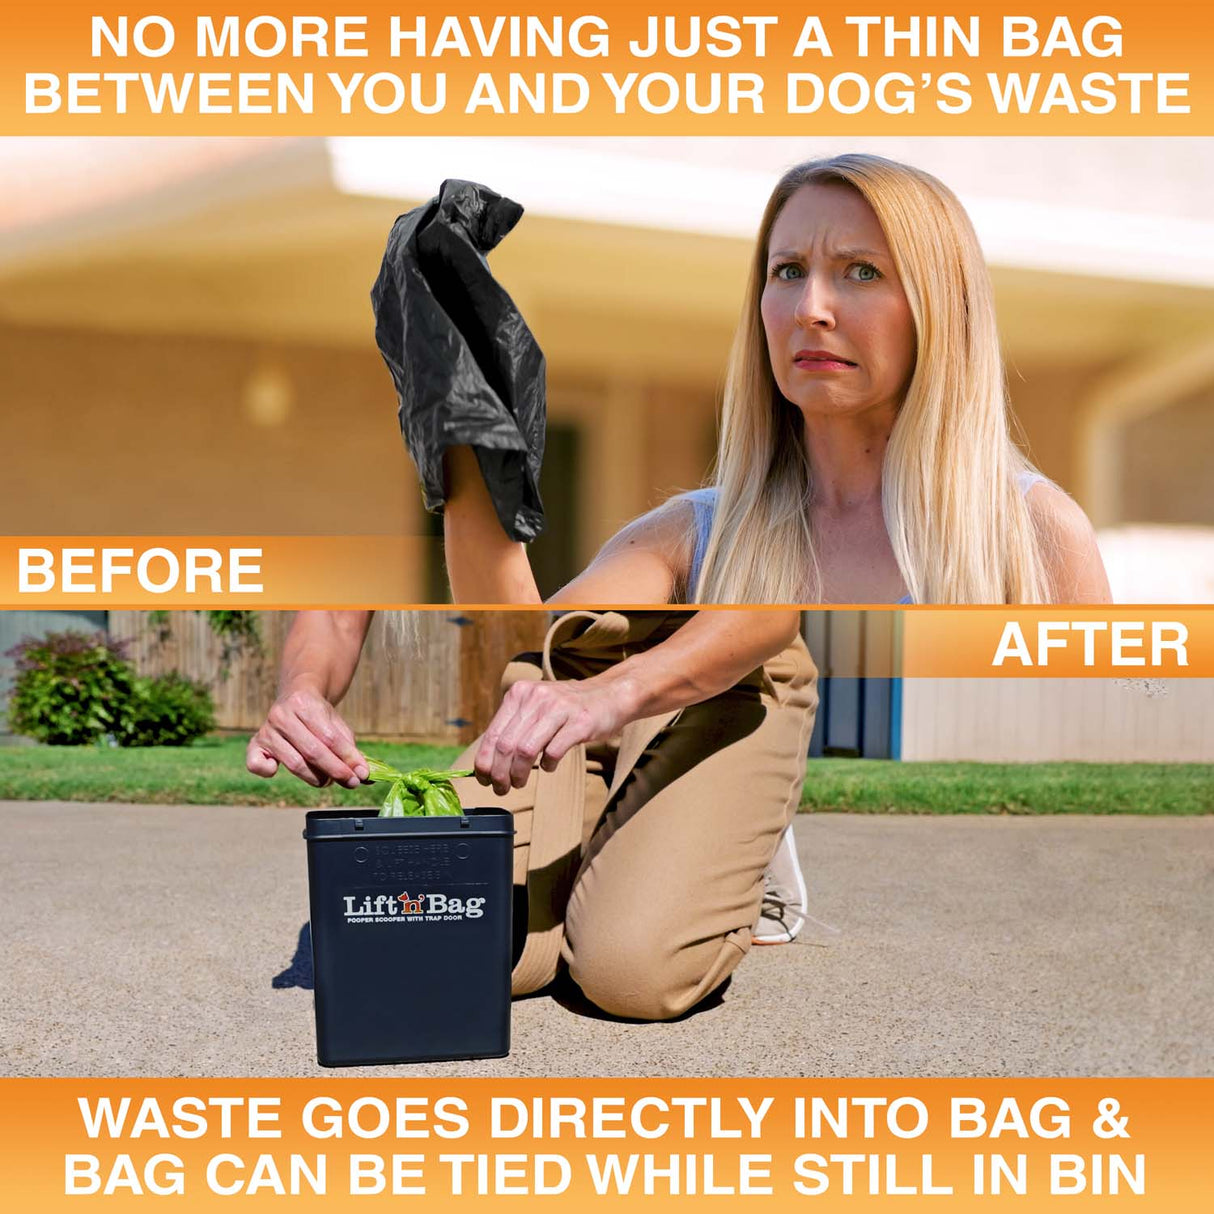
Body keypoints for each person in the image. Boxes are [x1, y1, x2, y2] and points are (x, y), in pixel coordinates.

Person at [440, 153, 1111, 606]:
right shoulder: (696, 538)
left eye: (862, 272)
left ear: (941, 309)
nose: (810, 309)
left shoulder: (1033, 533)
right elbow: (525, 662)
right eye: (788, 271)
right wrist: (465, 425)